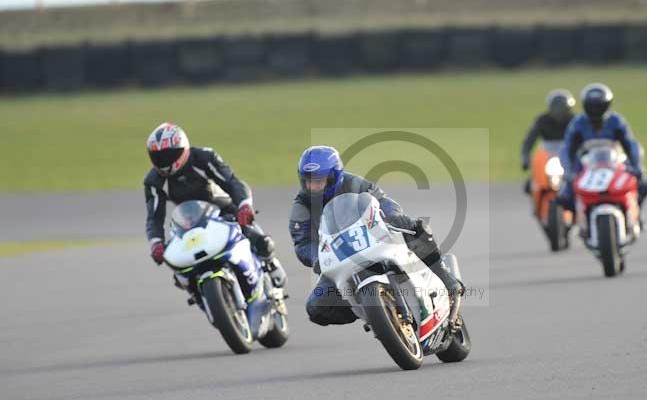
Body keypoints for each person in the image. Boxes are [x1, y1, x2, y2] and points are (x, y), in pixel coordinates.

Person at [288, 145, 462, 326]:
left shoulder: (354, 183)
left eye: (319, 181)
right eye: (308, 181)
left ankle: (445, 277)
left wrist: (393, 216)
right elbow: (302, 243)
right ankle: (374, 310)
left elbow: (383, 200)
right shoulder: (301, 206)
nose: (313, 187)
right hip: (338, 256)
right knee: (316, 308)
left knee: (416, 227)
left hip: (373, 238)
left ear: (334, 177)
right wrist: (317, 258)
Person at [143, 123, 286, 331]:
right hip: (188, 222)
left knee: (260, 241)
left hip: (223, 210)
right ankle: (200, 295)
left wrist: (244, 206)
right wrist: (156, 243)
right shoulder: (154, 180)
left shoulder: (204, 157)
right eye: (159, 157)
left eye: (169, 154)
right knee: (177, 268)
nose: (164, 162)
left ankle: (271, 265)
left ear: (183, 148)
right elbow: (154, 217)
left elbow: (233, 182)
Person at [557, 83, 647, 213]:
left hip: (614, 162)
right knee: (566, 194)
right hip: (587, 164)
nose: (596, 110)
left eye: (599, 106)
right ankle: (579, 219)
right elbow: (567, 149)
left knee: (642, 184)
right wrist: (569, 173)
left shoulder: (616, 121)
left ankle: (635, 213)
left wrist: (638, 168)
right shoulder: (577, 124)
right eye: (593, 106)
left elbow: (631, 145)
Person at [520, 88, 576, 178]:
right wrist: (525, 158)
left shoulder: (575, 121)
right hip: (547, 154)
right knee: (532, 183)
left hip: (567, 154)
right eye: (557, 109)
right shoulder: (542, 120)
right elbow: (529, 141)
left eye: (562, 109)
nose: (559, 112)